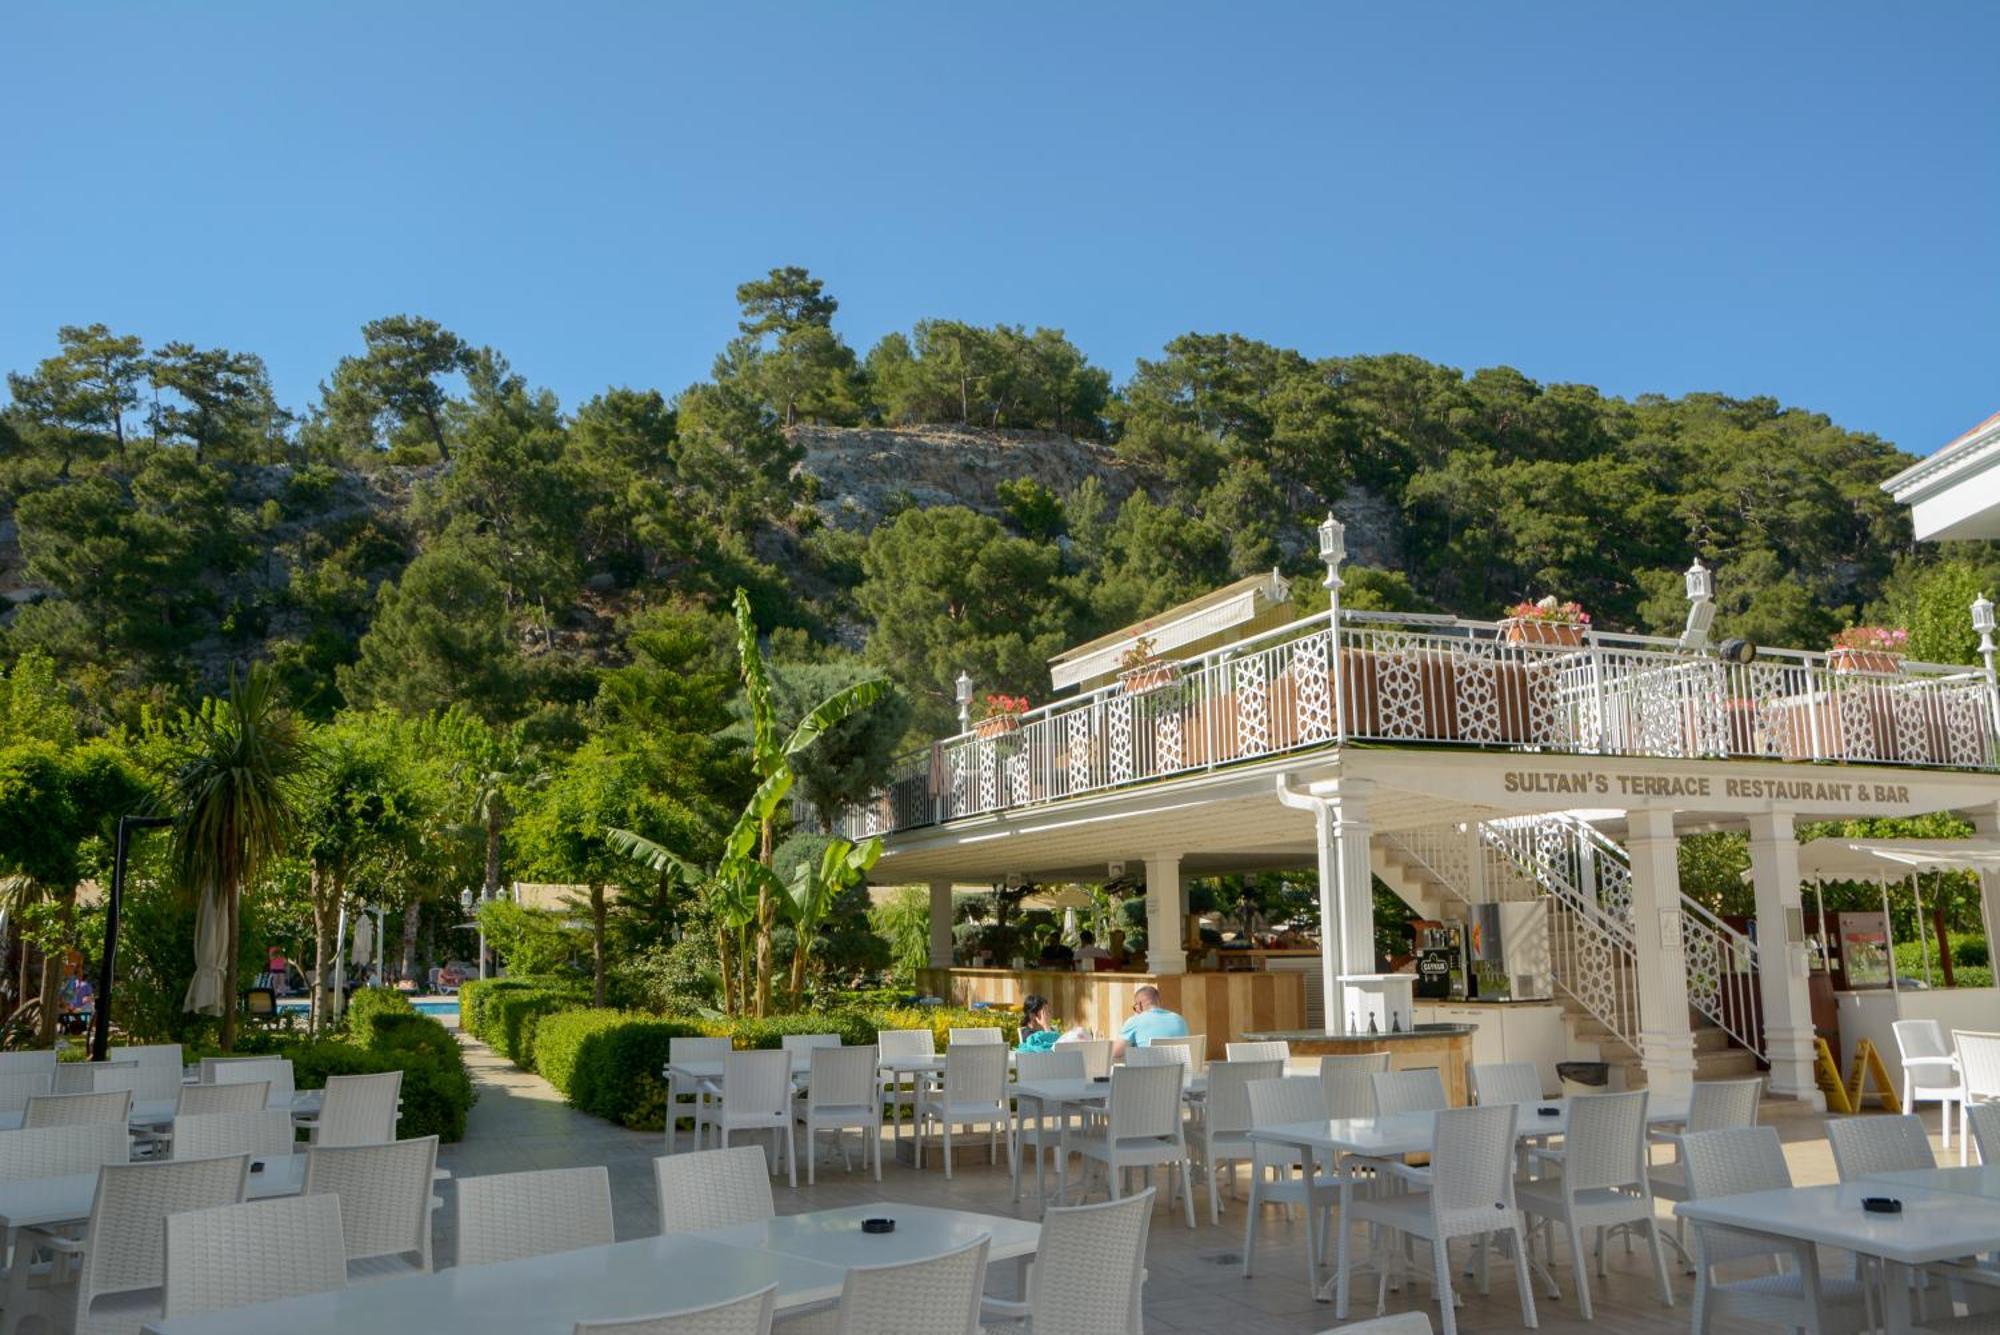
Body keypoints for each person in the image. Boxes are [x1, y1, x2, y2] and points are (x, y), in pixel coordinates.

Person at [1112, 984, 1188, 1059]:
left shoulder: (1134, 1021)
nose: (1136, 1012)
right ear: (1158, 1002)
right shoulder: (1180, 1020)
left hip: (1148, 1071)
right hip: (1179, 1070)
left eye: (1135, 1008)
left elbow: (1115, 1053)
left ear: (1140, 1004)